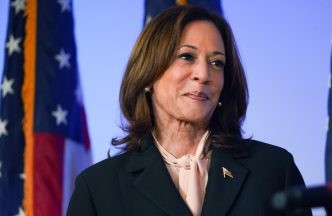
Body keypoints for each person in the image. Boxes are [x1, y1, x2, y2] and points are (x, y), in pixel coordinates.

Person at [67, 5, 312, 216]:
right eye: (186, 56)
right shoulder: (98, 188)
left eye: (217, 63)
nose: (204, 75)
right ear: (148, 75)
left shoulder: (274, 170)